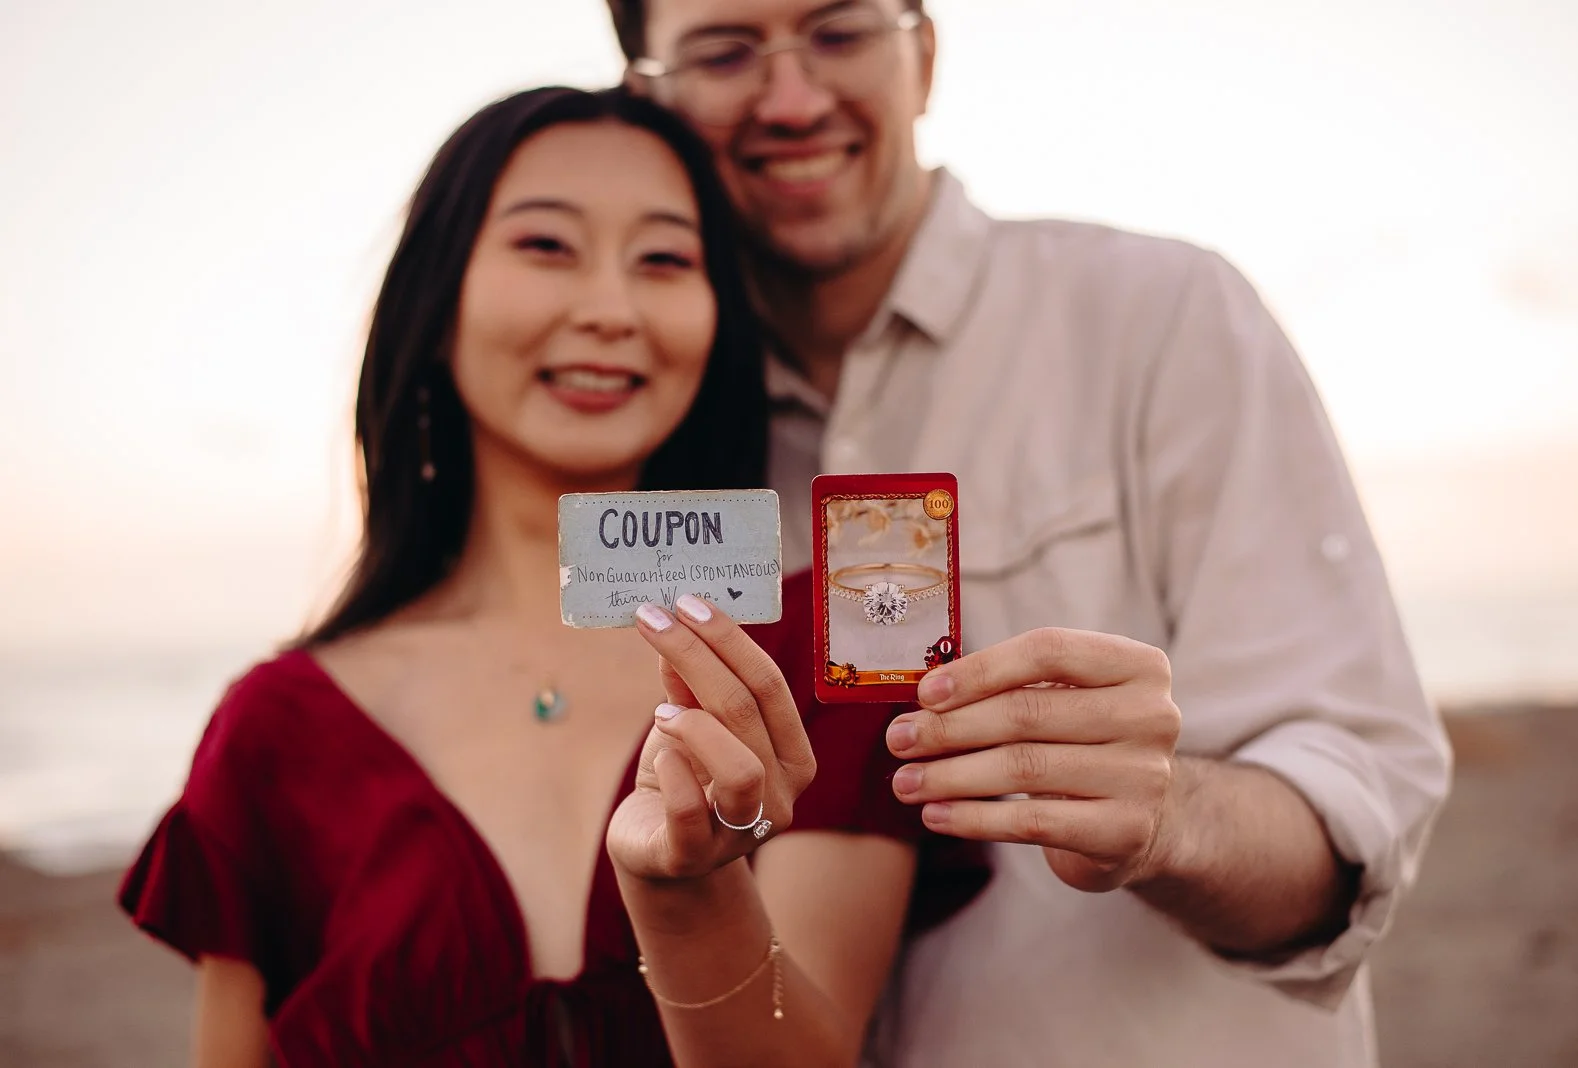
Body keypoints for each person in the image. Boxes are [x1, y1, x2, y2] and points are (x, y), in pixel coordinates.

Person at [606, 2, 1455, 1065]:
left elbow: (1355, 818)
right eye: (726, 50)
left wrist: (1167, 817)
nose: (791, 98)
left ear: (923, 55)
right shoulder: (641, 435)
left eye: (839, 30)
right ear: (651, 101)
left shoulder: (1164, 316)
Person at [117, 85, 984, 1066]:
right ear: (436, 299)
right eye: (545, 246)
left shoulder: (828, 648)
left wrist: (691, 896)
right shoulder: (275, 729)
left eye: (662, 259)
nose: (610, 310)